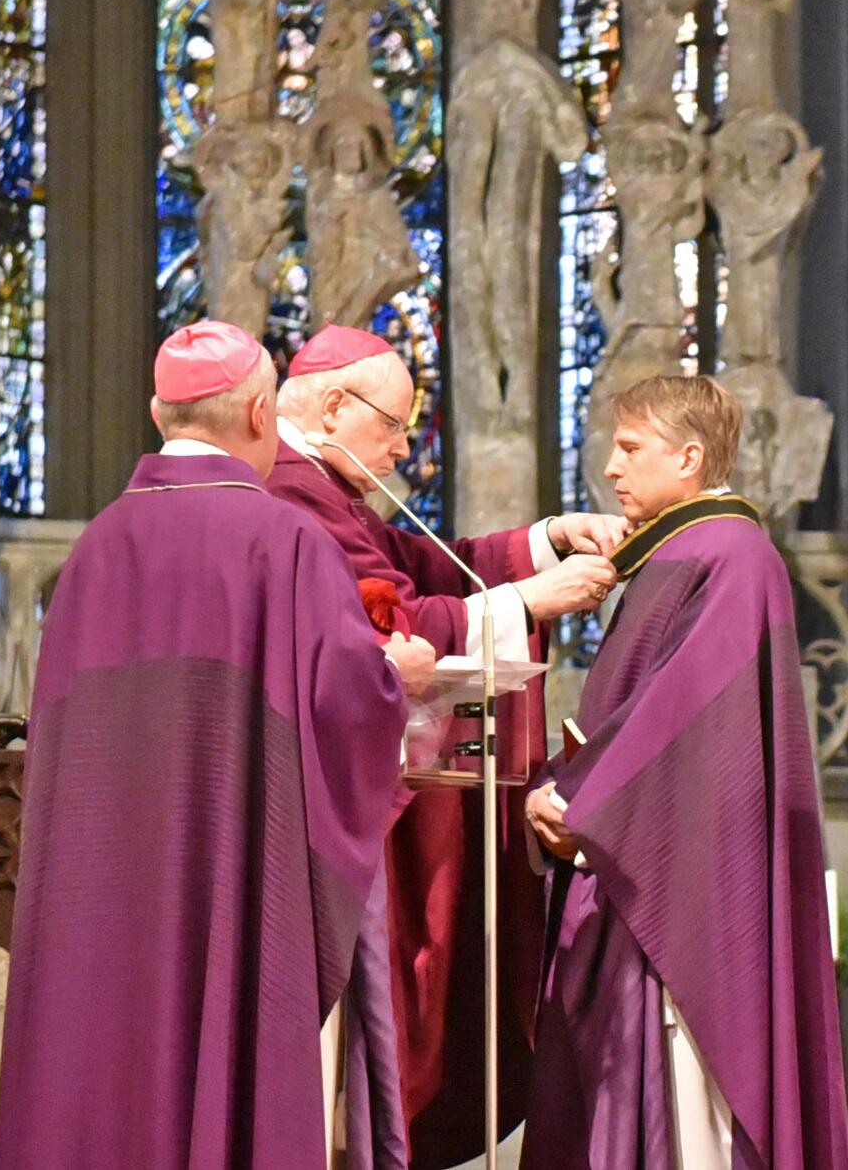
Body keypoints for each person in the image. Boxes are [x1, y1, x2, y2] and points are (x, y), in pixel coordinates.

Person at [0, 320, 437, 1170]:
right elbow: (349, 712)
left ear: (160, 412)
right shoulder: (284, 541)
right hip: (223, 888)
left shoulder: (94, 551)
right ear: (263, 415)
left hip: (106, 896)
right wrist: (400, 680)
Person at [268, 323, 623, 1168]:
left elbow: (424, 570)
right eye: (391, 426)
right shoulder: (286, 491)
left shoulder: (326, 485)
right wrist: (531, 600)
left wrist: (547, 538)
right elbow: (377, 620)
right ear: (329, 406)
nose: (399, 449)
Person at [522, 375, 848, 1170]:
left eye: (632, 449)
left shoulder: (730, 553)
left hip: (688, 884)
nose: (613, 467)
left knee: (684, 1110)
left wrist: (577, 797)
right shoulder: (683, 549)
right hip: (643, 859)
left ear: (691, 457)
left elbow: (685, 719)